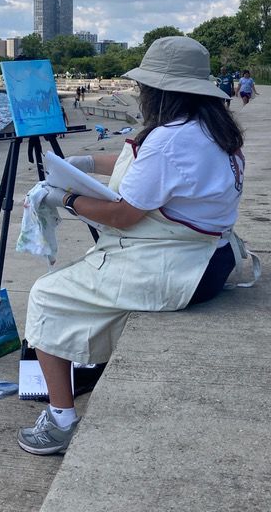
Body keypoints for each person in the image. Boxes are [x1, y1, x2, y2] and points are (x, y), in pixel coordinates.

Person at [17, 36, 244, 456]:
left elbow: (123, 215)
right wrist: (83, 165)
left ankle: (61, 421)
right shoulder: (211, 128)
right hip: (212, 259)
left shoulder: (170, 139)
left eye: (144, 87)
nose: (140, 93)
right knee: (82, 283)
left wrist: (64, 197)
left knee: (46, 296)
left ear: (160, 91)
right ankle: (79, 367)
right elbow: (139, 160)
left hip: (178, 268)